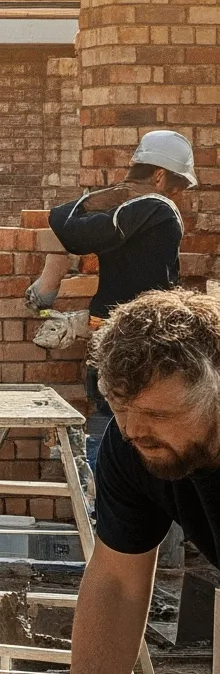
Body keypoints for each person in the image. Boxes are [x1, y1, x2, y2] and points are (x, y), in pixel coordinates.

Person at [5, 288, 220, 674]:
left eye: (154, 412)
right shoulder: (133, 444)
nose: (134, 431)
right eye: (121, 410)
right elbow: (120, 580)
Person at [26, 130, 197, 464]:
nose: (179, 195)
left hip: (133, 338)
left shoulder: (150, 209)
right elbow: (68, 225)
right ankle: (106, 504)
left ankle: (105, 504)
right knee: (117, 430)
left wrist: (114, 195)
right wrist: (117, 194)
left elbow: (66, 224)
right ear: (160, 176)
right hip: (135, 343)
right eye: (178, 185)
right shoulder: (155, 204)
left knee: (115, 429)